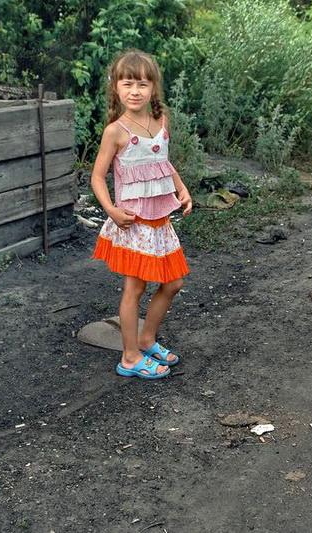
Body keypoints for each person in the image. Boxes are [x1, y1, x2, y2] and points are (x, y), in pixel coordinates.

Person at [91, 49, 192, 380]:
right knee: (134, 289)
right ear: (116, 88)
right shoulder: (116, 131)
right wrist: (111, 210)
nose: (135, 91)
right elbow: (97, 177)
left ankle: (146, 338)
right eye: (127, 83)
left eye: (142, 84)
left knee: (173, 282)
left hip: (160, 223)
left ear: (154, 88)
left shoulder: (162, 122)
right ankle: (130, 356)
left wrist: (181, 188)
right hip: (133, 224)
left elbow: (162, 163)